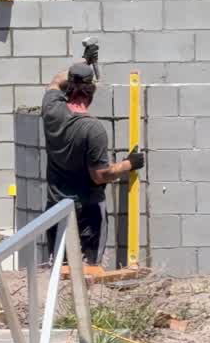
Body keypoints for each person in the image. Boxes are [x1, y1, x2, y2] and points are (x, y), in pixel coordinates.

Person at [41, 61, 144, 266]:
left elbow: (54, 81)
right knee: (89, 270)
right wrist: (128, 164)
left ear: (68, 86)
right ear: (91, 93)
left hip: (55, 207)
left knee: (60, 272)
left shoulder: (51, 110)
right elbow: (100, 175)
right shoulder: (92, 129)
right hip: (86, 212)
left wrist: (83, 64)